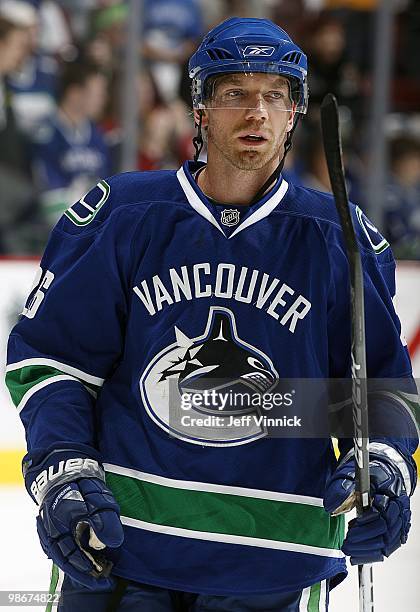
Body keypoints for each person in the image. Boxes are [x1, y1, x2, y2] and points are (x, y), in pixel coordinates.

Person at [5, 17, 418, 612]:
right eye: (235, 95)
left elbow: (378, 390)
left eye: (276, 96)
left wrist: (381, 468)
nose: (257, 113)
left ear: (295, 113)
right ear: (200, 108)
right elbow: (53, 363)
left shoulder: (340, 240)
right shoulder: (124, 215)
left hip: (277, 560)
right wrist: (63, 469)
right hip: (123, 549)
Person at [30, 60, 110, 228]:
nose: (103, 99)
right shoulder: (45, 134)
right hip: (55, 226)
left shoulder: (98, 136)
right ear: (75, 93)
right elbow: (47, 193)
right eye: (97, 93)